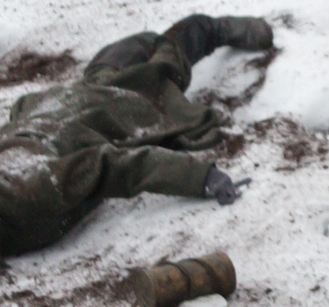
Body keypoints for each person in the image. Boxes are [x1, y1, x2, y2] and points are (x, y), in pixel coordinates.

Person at [0, 15, 268, 258]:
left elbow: (117, 166)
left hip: (99, 108)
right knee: (125, 60)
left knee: (160, 68)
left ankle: (213, 29)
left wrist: (200, 178)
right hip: (53, 108)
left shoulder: (32, 188)